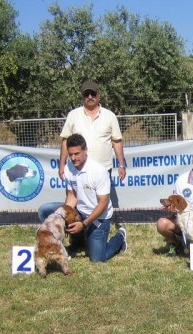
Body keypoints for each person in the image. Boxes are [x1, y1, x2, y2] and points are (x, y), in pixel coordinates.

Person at [38, 80, 128, 222]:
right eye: (87, 94)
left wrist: (121, 165)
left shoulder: (109, 116)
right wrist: (61, 164)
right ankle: (76, 232)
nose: (90, 96)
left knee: (100, 203)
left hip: (103, 168)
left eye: (93, 93)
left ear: (99, 95)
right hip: (76, 169)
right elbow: (65, 141)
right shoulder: (73, 115)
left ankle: (101, 229)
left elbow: (116, 141)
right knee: (75, 201)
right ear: (82, 96)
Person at [63, 134, 127, 262]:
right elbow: (72, 196)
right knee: (47, 210)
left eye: (77, 154)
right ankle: (79, 240)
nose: (73, 158)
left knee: (97, 259)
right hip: (80, 212)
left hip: (99, 217)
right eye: (70, 155)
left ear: (85, 150)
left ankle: (120, 237)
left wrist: (84, 224)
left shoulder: (98, 171)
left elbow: (103, 204)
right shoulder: (68, 167)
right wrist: (63, 217)